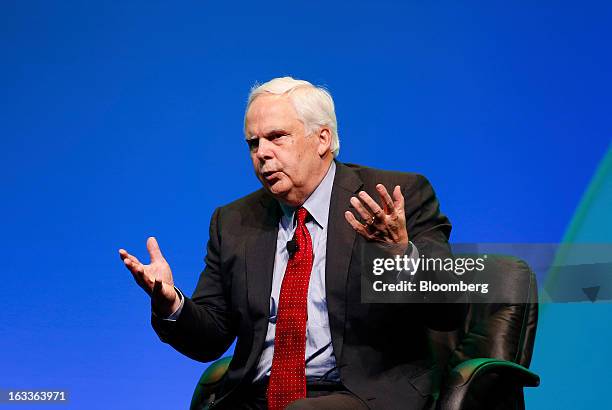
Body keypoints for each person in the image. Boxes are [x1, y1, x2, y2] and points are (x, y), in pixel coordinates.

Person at [119, 77, 466, 409]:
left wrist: (399, 253)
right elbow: (212, 337)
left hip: (362, 393)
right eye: (253, 143)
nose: (262, 154)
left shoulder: (391, 199)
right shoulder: (233, 221)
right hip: (256, 396)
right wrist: (171, 304)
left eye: (276, 137)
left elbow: (450, 309)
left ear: (322, 140)